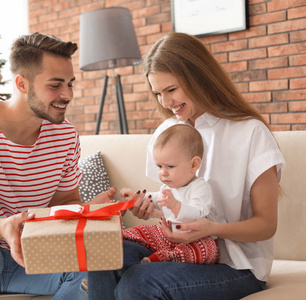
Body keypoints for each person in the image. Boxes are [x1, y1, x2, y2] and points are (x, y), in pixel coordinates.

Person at [88, 32, 285, 300]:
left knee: (137, 283)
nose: (166, 103)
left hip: (236, 266)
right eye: (158, 93)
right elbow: (173, 201)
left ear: (199, 77)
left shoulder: (250, 133)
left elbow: (266, 225)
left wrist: (211, 229)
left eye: (171, 90)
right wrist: (147, 207)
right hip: (176, 250)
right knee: (103, 251)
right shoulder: (167, 132)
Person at [0, 32, 115, 300]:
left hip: (34, 254)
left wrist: (89, 212)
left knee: (94, 273)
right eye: (55, 85)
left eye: (70, 84)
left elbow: (63, 201)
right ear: (22, 84)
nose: (67, 94)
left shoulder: (65, 135)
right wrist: (0, 227)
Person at [122, 124, 219, 265]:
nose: (163, 173)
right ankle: (121, 237)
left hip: (194, 239)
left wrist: (175, 206)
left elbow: (199, 212)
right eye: (159, 166)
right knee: (141, 230)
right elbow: (155, 199)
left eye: (170, 166)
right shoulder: (169, 186)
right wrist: (138, 197)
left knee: (207, 249)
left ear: (194, 165)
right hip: (167, 236)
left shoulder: (200, 187)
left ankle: (166, 257)